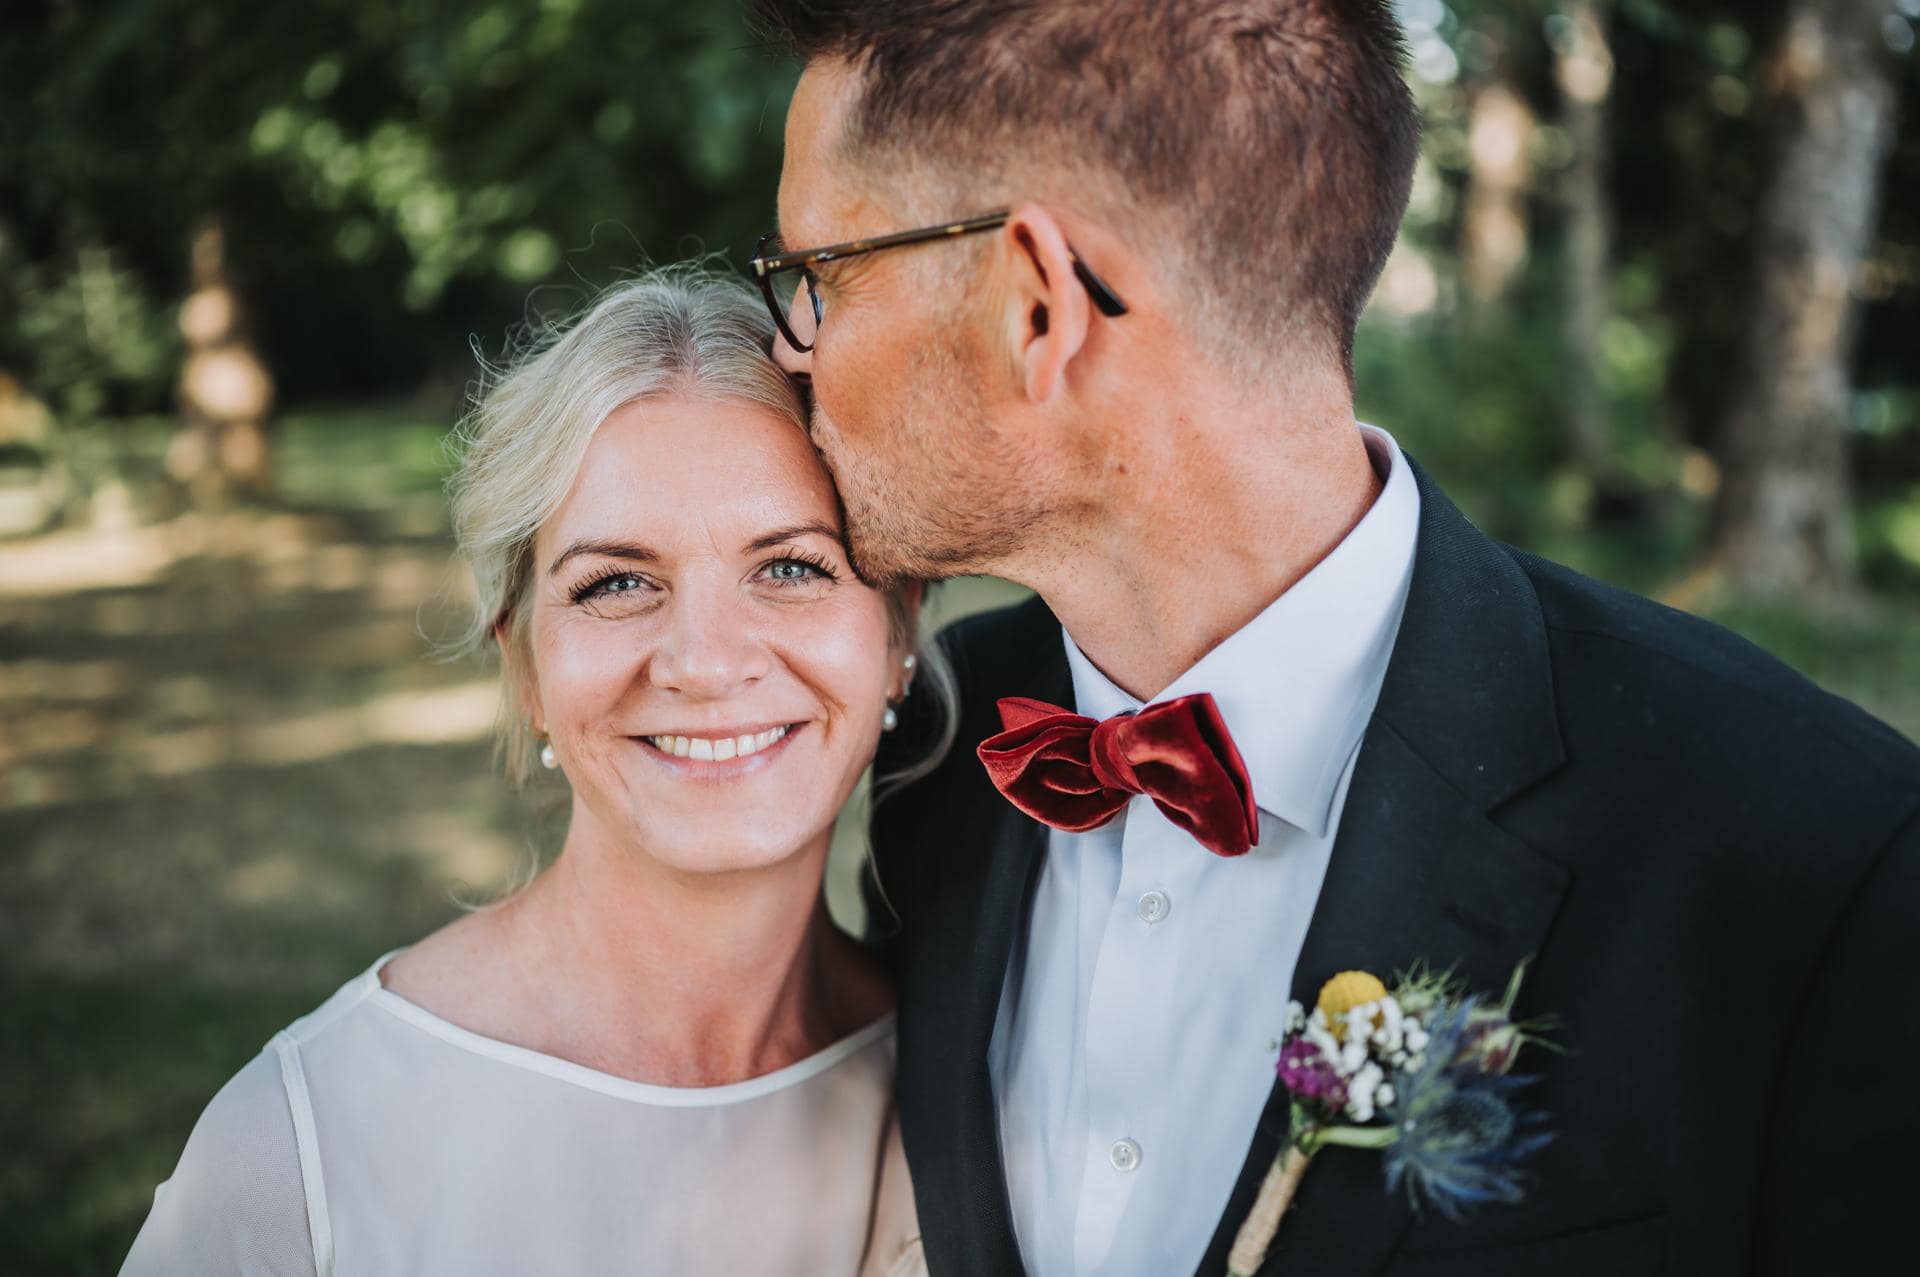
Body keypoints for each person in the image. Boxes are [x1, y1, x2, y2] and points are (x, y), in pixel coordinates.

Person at [747, 2, 1920, 1274]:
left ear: (1037, 307)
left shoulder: (1822, 860)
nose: (789, 347)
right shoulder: (943, 746)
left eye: (818, 276)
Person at [121, 271, 942, 1276]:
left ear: (898, 628)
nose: (705, 659)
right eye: (617, 582)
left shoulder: (967, 1082)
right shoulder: (306, 1143)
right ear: (526, 668)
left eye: (791, 566)